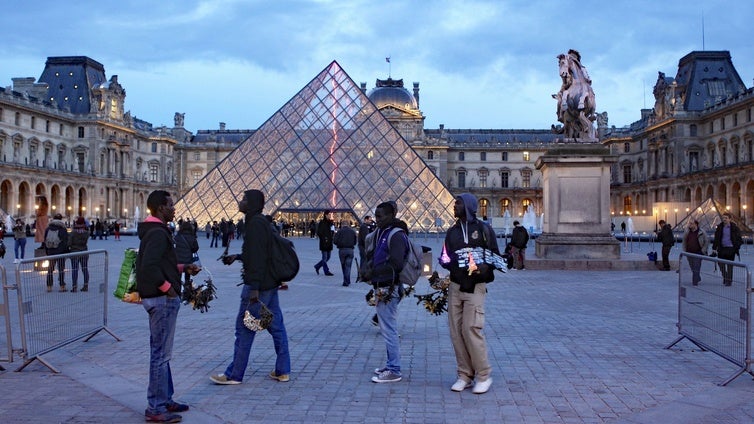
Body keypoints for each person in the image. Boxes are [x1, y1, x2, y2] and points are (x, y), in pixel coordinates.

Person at [211, 189, 291, 385]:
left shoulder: (254, 224)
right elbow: (259, 253)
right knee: (276, 327)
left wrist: (253, 289)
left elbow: (257, 260)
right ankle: (283, 370)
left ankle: (234, 374)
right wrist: (238, 257)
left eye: (244, 199)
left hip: (258, 287)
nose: (241, 201)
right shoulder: (262, 222)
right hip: (270, 284)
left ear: (252, 203)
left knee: (245, 328)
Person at [136, 190, 199, 423]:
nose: (175, 208)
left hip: (159, 298)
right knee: (160, 355)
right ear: (161, 209)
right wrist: (168, 289)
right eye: (171, 205)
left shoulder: (156, 231)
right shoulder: (157, 234)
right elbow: (150, 267)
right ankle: (155, 407)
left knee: (163, 354)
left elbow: (163, 263)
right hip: (161, 300)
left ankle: (166, 398)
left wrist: (183, 268)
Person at [439, 193, 499, 395]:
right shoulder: (452, 232)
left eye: (458, 203)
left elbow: (495, 257)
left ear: (469, 206)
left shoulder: (483, 230)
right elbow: (445, 255)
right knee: (456, 332)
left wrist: (484, 267)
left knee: (471, 329)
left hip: (476, 286)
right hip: (455, 285)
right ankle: (464, 374)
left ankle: (483, 374)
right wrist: (446, 262)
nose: (454, 206)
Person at [368, 201, 409, 383]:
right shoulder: (383, 232)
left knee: (389, 329)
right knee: (386, 328)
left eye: (380, 216)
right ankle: (391, 363)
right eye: (376, 215)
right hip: (382, 285)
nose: (377, 219)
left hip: (389, 287)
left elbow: (397, 263)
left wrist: (375, 272)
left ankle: (394, 369)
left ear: (391, 215)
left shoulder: (396, 235)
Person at [712, 212, 743, 286]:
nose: (724, 219)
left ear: (730, 219)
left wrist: (736, 247)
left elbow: (740, 239)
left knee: (729, 266)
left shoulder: (735, 228)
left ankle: (729, 281)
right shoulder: (720, 227)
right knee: (721, 264)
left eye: (726, 218)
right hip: (722, 248)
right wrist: (714, 248)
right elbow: (716, 238)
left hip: (730, 249)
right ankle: (725, 277)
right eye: (723, 218)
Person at [44, 213, 69, 293]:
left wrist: (47, 251)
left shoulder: (48, 228)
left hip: (51, 251)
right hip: (60, 252)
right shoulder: (63, 229)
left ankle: (49, 286)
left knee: (50, 269)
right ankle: (62, 286)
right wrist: (66, 252)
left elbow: (45, 240)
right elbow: (65, 242)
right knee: (61, 269)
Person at [681, 220, 709, 286]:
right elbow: (684, 241)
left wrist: (703, 251)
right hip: (689, 252)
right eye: (689, 223)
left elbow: (706, 241)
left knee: (696, 267)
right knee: (692, 266)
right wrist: (684, 250)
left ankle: (695, 281)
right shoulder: (687, 231)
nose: (689, 225)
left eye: (691, 223)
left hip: (698, 252)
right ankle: (697, 277)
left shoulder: (702, 232)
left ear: (696, 224)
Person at [174, 221, 200, 286]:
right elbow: (196, 248)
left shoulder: (177, 236)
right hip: (188, 260)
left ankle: (178, 290)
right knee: (187, 277)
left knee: (178, 277)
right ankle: (187, 290)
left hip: (178, 260)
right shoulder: (192, 237)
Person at [68, 216, 90, 292]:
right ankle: (86, 285)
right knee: (85, 269)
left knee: (74, 269)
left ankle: (74, 287)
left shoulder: (73, 232)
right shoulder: (86, 233)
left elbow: (69, 243)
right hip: (84, 251)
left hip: (74, 252)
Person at [333, 222, 357, 286]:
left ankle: (346, 281)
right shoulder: (352, 231)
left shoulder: (339, 231)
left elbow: (334, 241)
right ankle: (347, 281)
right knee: (348, 266)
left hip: (342, 250)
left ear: (342, 225)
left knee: (343, 266)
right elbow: (355, 241)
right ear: (348, 225)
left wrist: (339, 244)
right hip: (350, 250)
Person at [314, 210, 335, 276]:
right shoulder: (322, 222)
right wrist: (325, 238)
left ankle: (317, 266)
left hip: (329, 242)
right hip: (324, 243)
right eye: (329, 214)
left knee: (328, 257)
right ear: (325, 215)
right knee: (325, 258)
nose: (330, 216)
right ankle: (326, 271)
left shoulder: (330, 223)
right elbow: (319, 232)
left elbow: (332, 231)